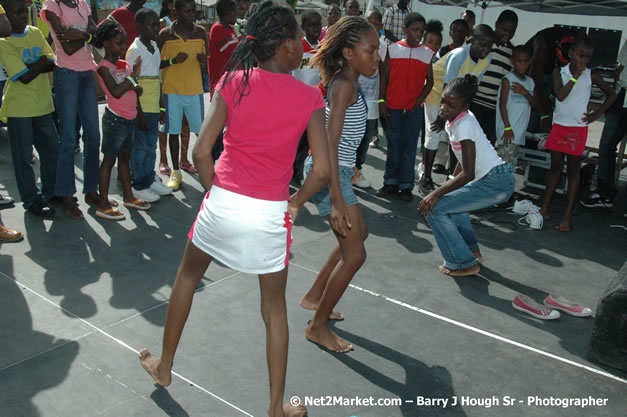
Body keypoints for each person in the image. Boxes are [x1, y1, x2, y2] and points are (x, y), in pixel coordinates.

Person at [138, 6, 329, 417]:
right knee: (274, 309)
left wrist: (216, 194)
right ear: (287, 44)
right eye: (300, 38)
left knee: (187, 278)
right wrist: (295, 204)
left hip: (222, 202)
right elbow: (322, 172)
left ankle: (165, 367)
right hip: (269, 214)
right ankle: (276, 409)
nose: (304, 46)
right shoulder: (310, 96)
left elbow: (200, 151)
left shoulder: (233, 80)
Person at [301, 16, 378, 352]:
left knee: (359, 235)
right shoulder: (344, 84)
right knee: (355, 254)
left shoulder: (349, 80)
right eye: (370, 50)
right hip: (331, 173)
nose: (377, 57)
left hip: (341, 171)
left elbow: (343, 142)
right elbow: (329, 145)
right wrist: (336, 200)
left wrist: (352, 168)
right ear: (348, 52)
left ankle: (315, 295)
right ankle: (317, 327)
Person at [419, 75, 515, 277]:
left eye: (451, 105)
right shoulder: (455, 121)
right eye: (443, 101)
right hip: (492, 180)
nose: (444, 108)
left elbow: (468, 172)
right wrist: (450, 185)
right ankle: (470, 251)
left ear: (465, 106)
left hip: (495, 182)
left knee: (434, 208)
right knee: (452, 203)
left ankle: (462, 262)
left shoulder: (464, 125)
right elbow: (464, 159)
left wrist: (435, 193)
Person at [539, 36, 616, 231]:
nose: (584, 60)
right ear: (571, 53)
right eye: (581, 55)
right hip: (559, 126)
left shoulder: (591, 75)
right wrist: (575, 76)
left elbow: (612, 94)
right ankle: (544, 209)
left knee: (574, 172)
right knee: (555, 169)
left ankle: (567, 218)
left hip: (577, 130)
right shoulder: (560, 72)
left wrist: (596, 115)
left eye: (588, 57)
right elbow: (561, 96)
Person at [41, 0, 101, 219]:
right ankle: (67, 195)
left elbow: (97, 34)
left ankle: (91, 190)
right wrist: (87, 35)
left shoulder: (82, 3)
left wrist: (82, 35)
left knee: (93, 136)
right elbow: (66, 46)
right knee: (68, 137)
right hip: (66, 74)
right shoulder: (51, 7)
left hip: (87, 72)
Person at [419, 24, 494, 196]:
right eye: (482, 45)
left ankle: (452, 179)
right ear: (472, 41)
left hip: (456, 99)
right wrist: (441, 116)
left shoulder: (487, 58)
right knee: (434, 135)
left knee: (457, 136)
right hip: (438, 93)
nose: (485, 49)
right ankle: (426, 178)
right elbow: (447, 87)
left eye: (489, 46)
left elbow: (473, 85)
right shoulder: (460, 55)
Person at [0, 0, 58, 217]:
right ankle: (32, 199)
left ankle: (51, 193)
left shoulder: (34, 31)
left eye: (24, 12)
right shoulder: (3, 42)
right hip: (19, 110)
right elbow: (23, 77)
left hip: (43, 106)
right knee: (23, 159)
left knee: (52, 151)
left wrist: (39, 65)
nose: (23, 17)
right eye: (16, 14)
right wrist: (41, 63)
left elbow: (52, 62)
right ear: (6, 17)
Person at [93, 18, 150, 220]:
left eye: (124, 43)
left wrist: (134, 82)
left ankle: (128, 196)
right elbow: (116, 91)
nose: (123, 47)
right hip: (115, 121)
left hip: (130, 119)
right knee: (109, 160)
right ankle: (103, 204)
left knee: (125, 159)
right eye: (119, 43)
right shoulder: (102, 67)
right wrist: (133, 78)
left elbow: (136, 89)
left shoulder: (124, 64)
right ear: (107, 43)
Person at [377, 12, 433, 201]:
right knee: (393, 145)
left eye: (421, 31)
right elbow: (384, 77)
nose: (419, 34)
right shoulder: (392, 49)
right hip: (393, 107)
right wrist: (381, 101)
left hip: (413, 110)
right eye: (415, 30)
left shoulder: (426, 53)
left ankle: (406, 185)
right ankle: (390, 182)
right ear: (405, 29)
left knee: (409, 147)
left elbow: (430, 82)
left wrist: (419, 100)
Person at [158, 0, 208, 190]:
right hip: (171, 91)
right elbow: (156, 63)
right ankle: (176, 172)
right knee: (173, 131)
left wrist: (203, 61)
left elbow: (205, 64)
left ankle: (206, 170)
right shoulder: (164, 35)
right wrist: (172, 60)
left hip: (194, 91)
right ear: (175, 11)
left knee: (200, 132)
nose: (191, 14)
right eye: (187, 11)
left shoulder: (201, 33)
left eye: (193, 10)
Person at [126, 7, 173, 202]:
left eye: (157, 24)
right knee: (140, 147)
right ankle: (138, 184)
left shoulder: (154, 47)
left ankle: (148, 178)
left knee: (150, 145)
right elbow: (130, 82)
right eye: (151, 25)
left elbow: (157, 79)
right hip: (141, 110)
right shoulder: (135, 50)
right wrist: (139, 113)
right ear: (139, 26)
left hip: (153, 107)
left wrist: (161, 107)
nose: (156, 28)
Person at [581, 39, 627, 211]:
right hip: (622, 95)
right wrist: (613, 98)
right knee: (606, 145)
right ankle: (604, 193)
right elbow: (620, 69)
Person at [470, 10, 518, 145]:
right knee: (469, 141)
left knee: (486, 144)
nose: (507, 34)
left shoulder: (511, 53)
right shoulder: (481, 43)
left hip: (493, 107)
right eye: (504, 30)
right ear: (496, 24)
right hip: (474, 102)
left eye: (512, 32)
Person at [354, 8, 387, 185]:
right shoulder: (353, 43)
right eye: (369, 23)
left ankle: (357, 170)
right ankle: (345, 171)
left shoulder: (384, 46)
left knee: (365, 138)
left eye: (376, 24)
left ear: (381, 26)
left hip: (371, 101)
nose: (372, 27)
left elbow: (383, 75)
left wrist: (381, 101)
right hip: (352, 100)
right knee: (349, 137)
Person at [291, 9, 322, 185]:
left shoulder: (323, 48)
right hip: (296, 102)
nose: (315, 29)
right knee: (295, 140)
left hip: (315, 103)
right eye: (310, 25)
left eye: (317, 24)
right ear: (302, 27)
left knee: (307, 142)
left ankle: (300, 172)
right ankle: (291, 171)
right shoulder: (297, 47)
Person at [495, 45, 538, 165]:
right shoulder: (508, 80)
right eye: (519, 61)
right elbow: (502, 105)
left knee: (509, 162)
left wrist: (525, 93)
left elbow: (535, 105)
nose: (522, 65)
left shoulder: (530, 82)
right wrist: (507, 127)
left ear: (530, 61)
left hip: (519, 132)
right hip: (508, 131)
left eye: (525, 61)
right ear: (512, 61)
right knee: (503, 163)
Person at [208, 0, 238, 96]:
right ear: (228, 14)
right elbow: (235, 52)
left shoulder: (231, 28)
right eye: (235, 13)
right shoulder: (217, 29)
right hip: (220, 83)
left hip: (232, 82)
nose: (237, 16)